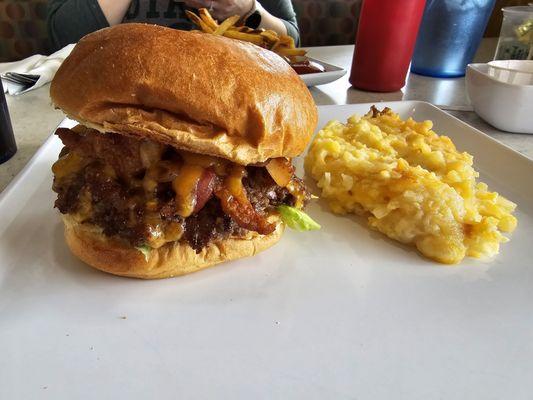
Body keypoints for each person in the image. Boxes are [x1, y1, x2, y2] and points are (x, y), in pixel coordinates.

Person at [47, 0, 300, 51]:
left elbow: (292, 40)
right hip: (123, 98)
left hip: (232, 97)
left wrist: (245, 9)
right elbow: (63, 36)